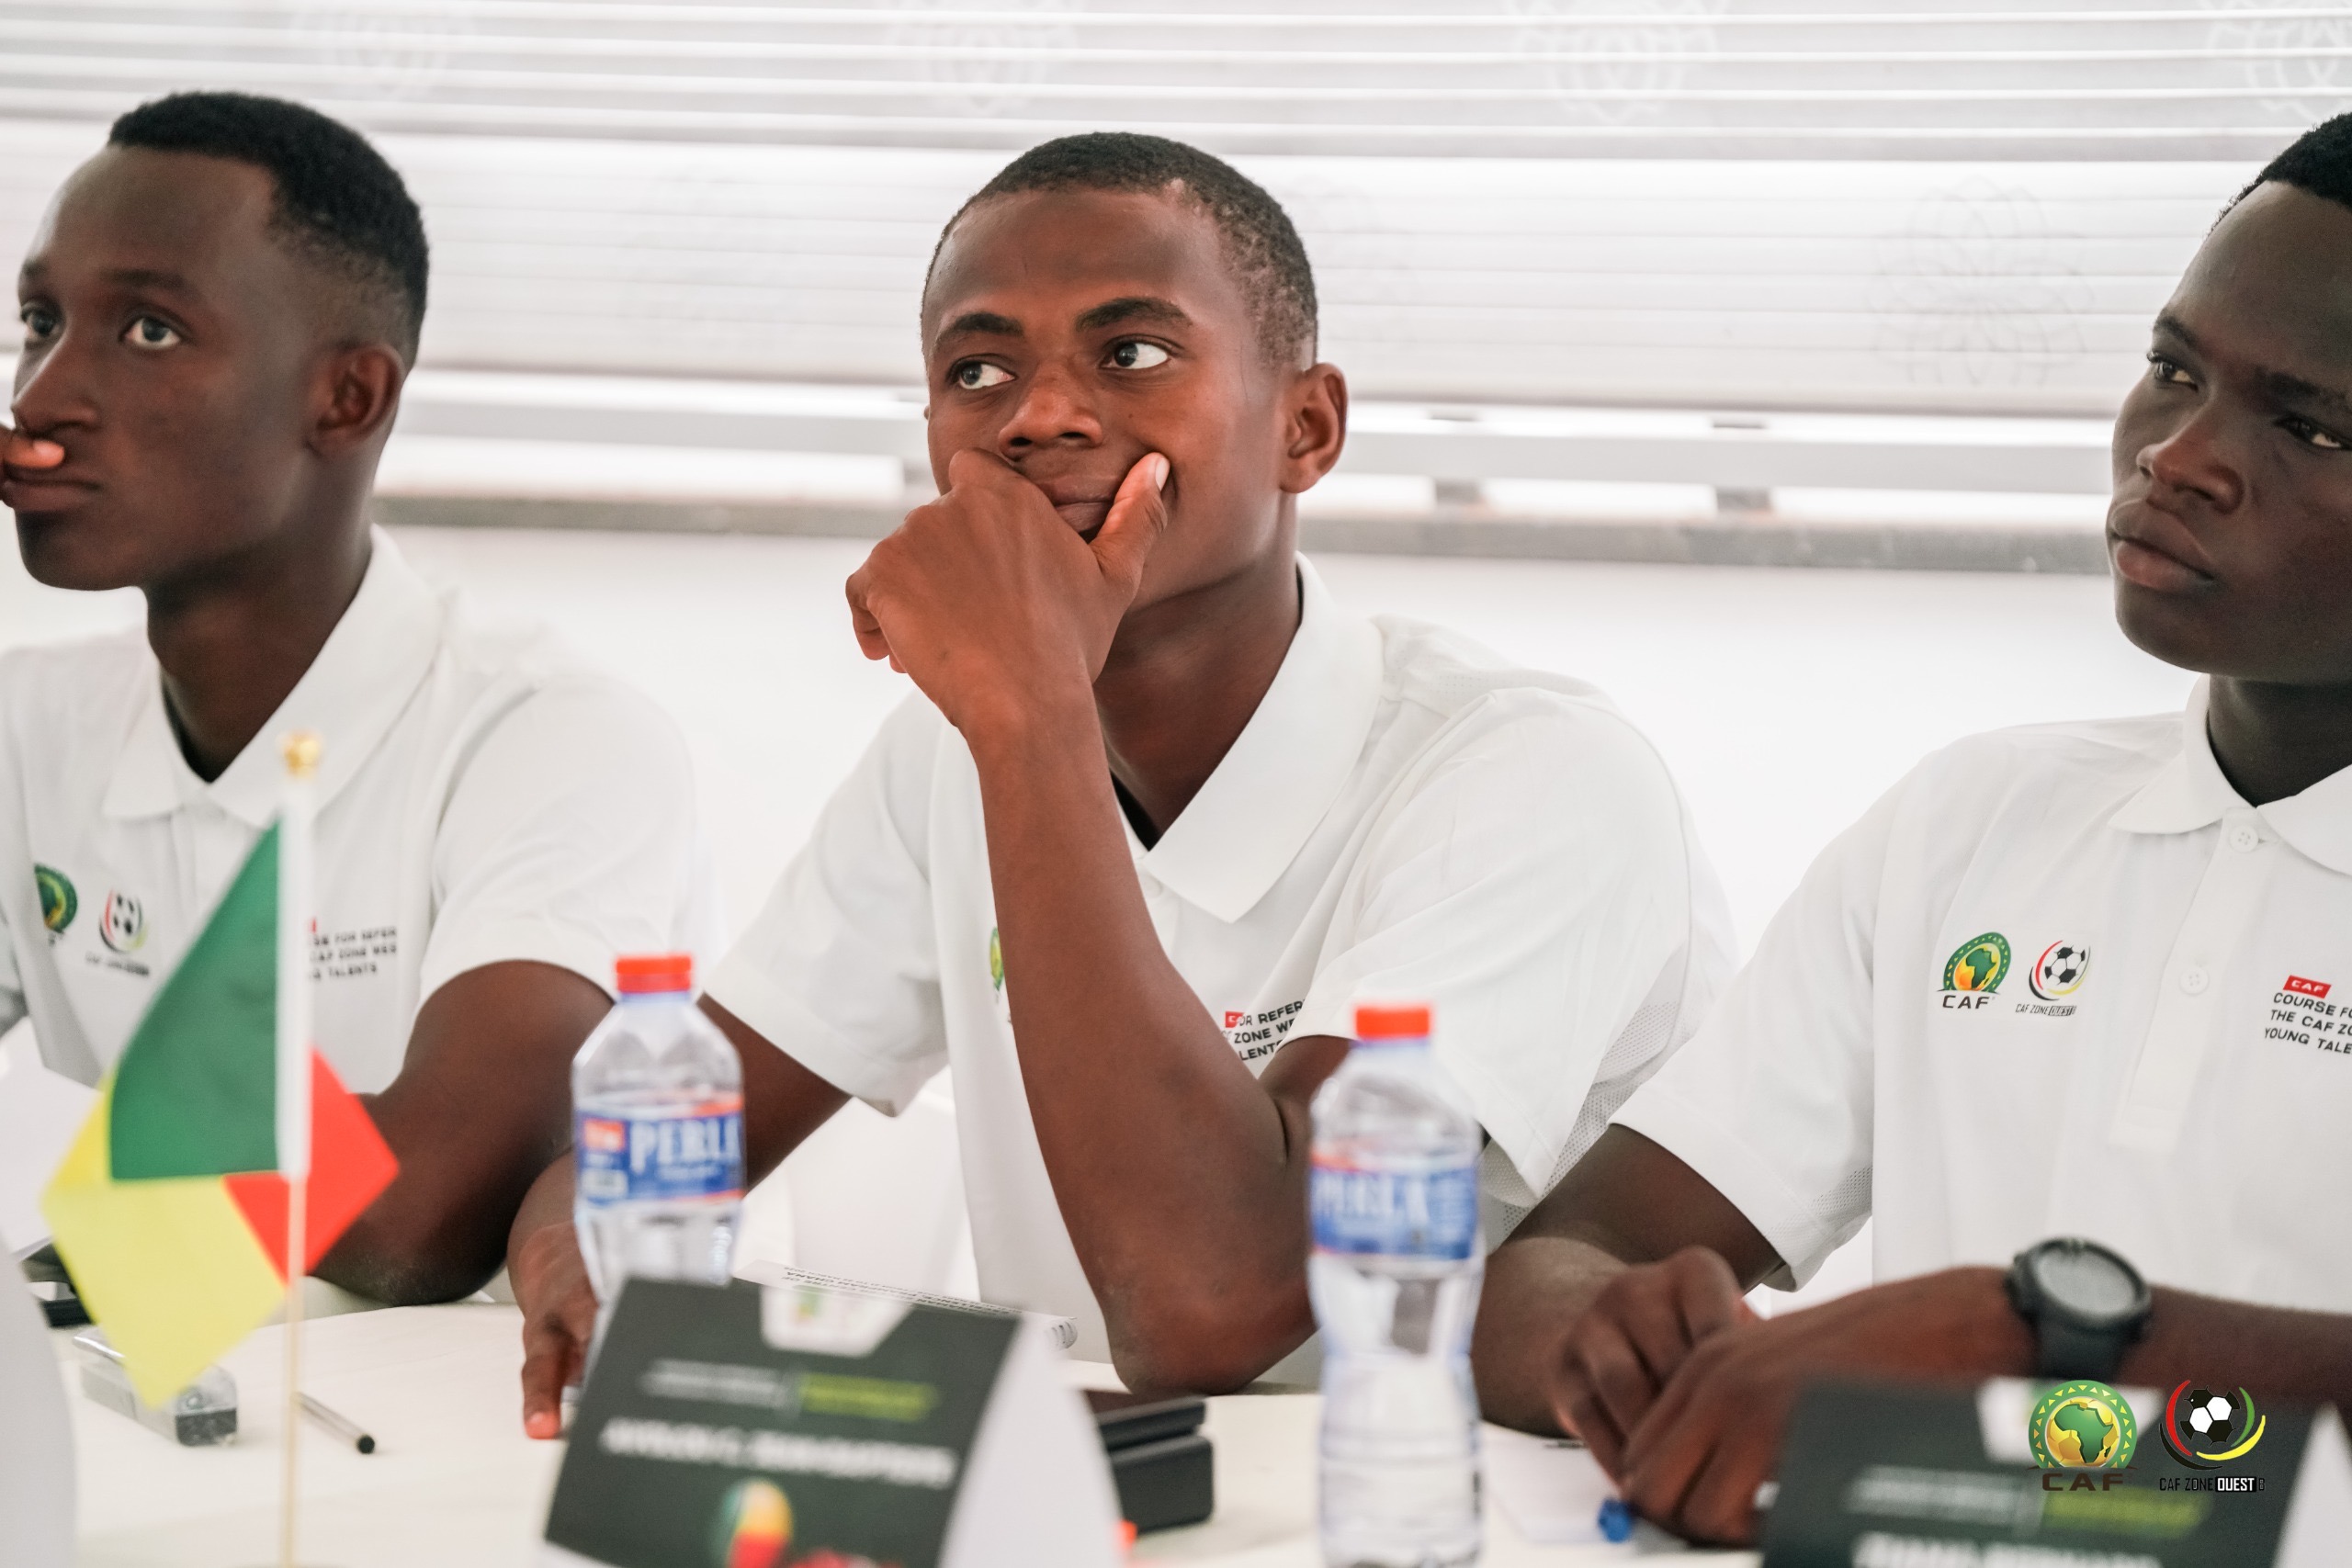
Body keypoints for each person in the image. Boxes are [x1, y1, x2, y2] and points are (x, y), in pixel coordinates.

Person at [505, 131, 1736, 1431]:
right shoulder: (949, 753)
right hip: (1095, 1494)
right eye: (977, 372)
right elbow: (634, 1150)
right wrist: (582, 1254)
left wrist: (1027, 710)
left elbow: (1210, 1305)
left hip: (1435, 1506)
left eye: (1133, 353)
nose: (1039, 415)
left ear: (1306, 429)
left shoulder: (1531, 779)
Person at [1471, 114, 2352, 1547]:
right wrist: (1631, 1342)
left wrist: (2037, 1349)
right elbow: (1571, 1255)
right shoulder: (1975, 819)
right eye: (2174, 370)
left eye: (2310, 427)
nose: (2181, 456)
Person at [0, 93, 717, 1305]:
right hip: (128, 1397)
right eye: (40, 322)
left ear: (347, 400)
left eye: (149, 331)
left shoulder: (554, 738)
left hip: (442, 1419)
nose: (45, 396)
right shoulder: (29, 723)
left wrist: (59, 1157)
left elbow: (416, 1210)